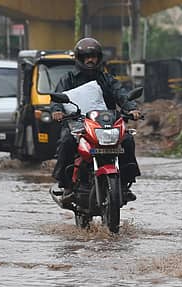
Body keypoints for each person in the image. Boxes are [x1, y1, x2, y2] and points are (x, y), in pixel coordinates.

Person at [50, 37, 143, 201]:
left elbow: (122, 95)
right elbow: (57, 100)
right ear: (79, 59)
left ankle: (125, 183)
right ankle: (66, 185)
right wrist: (57, 111)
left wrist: (132, 108)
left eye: (93, 56)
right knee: (66, 141)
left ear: (99, 58)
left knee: (128, 140)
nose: (90, 60)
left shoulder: (107, 79)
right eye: (86, 56)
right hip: (78, 124)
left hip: (107, 125)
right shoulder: (68, 79)